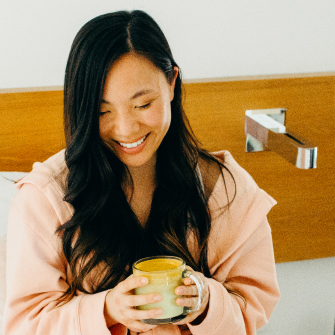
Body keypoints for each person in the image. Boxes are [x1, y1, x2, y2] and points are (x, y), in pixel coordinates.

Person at [3, 10, 280, 335]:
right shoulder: (45, 198)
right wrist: (105, 310)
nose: (125, 129)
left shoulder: (225, 189)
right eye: (102, 111)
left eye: (143, 104)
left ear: (172, 83)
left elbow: (254, 308)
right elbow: (24, 325)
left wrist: (206, 302)